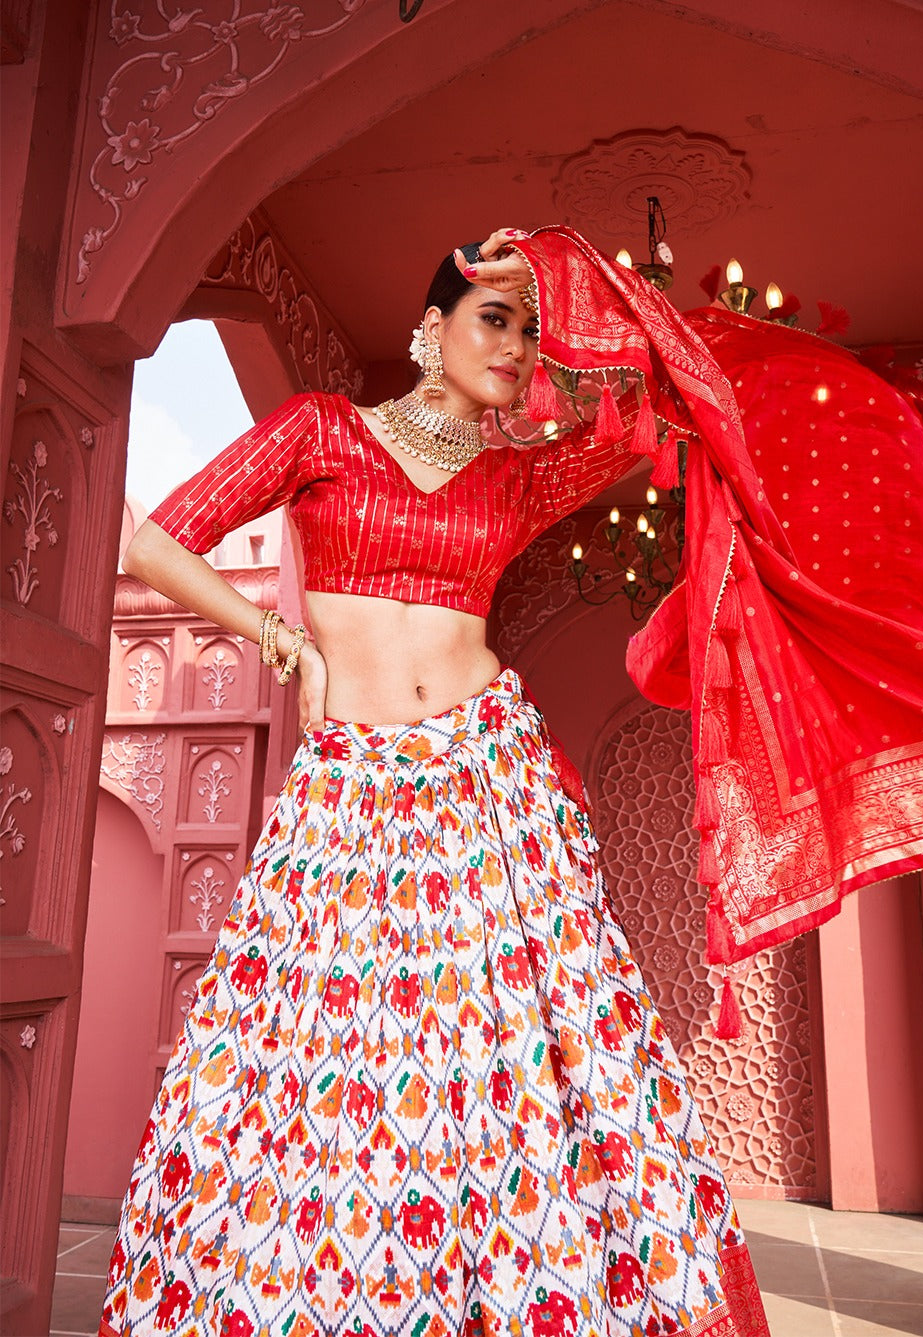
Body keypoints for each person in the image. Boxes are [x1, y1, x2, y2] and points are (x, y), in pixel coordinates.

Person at [99, 227, 770, 1337]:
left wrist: (566, 269)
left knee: (525, 1050)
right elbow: (156, 544)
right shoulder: (320, 429)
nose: (515, 348)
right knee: (320, 1054)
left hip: (489, 780)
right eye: (493, 318)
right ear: (430, 328)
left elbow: (662, 395)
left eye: (530, 330)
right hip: (352, 789)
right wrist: (281, 639)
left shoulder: (516, 476)